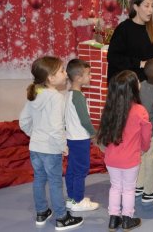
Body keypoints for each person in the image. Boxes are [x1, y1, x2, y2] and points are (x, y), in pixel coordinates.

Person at [19, 56, 83, 230]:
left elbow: (23, 121)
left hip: (36, 147)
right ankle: (62, 217)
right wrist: (63, 146)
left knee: (39, 179)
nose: (65, 73)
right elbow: (56, 128)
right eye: (62, 70)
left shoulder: (36, 93)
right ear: (51, 78)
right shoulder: (56, 98)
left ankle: (42, 212)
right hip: (50, 148)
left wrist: (36, 135)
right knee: (55, 182)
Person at [97, 70, 152, 231]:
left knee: (115, 187)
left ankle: (113, 219)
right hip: (131, 159)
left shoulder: (109, 108)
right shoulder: (140, 110)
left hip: (111, 158)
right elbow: (146, 135)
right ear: (134, 88)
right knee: (129, 188)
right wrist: (144, 148)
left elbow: (104, 133)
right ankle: (127, 218)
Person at [64, 59, 99, 212]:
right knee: (80, 170)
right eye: (88, 74)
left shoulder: (68, 95)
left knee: (72, 169)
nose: (90, 77)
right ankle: (78, 200)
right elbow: (85, 119)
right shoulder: (78, 97)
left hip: (71, 138)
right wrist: (93, 134)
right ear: (78, 77)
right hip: (80, 139)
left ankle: (72, 198)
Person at [107, 0, 153, 82]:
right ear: (136, 7)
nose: (150, 10)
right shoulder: (124, 28)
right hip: (127, 84)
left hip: (148, 82)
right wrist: (140, 63)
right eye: (146, 6)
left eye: (152, 6)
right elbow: (113, 57)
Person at [136, 58, 153, 202]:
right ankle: (149, 191)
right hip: (151, 132)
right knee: (151, 161)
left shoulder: (141, 86)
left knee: (141, 158)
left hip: (138, 131)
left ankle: (139, 185)